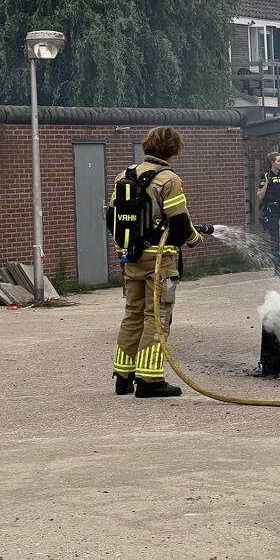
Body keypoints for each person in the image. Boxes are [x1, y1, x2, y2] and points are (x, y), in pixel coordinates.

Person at [106, 126, 202, 398]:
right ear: (173, 150)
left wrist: (124, 251)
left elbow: (113, 220)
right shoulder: (169, 179)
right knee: (158, 316)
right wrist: (195, 238)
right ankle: (150, 380)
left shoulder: (124, 175)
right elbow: (180, 225)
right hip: (160, 260)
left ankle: (123, 376)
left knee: (133, 314)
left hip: (132, 257)